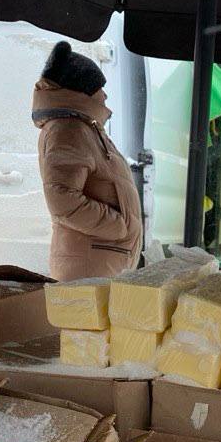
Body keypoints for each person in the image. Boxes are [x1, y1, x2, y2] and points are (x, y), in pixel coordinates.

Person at [32, 41, 142, 281]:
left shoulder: (82, 128)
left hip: (97, 263)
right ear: (83, 92)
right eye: (99, 87)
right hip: (88, 268)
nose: (105, 95)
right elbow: (62, 200)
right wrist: (119, 225)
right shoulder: (68, 130)